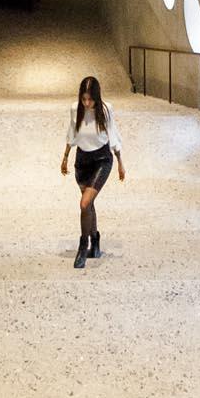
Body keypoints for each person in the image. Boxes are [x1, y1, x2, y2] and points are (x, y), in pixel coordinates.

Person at [60, 74, 125, 268]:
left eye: (90, 99)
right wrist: (65, 157)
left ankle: (83, 245)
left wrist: (121, 162)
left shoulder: (106, 110)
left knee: (84, 203)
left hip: (102, 160)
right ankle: (95, 242)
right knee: (88, 206)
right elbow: (71, 133)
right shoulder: (75, 109)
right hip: (82, 161)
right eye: (84, 99)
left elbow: (113, 134)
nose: (87, 103)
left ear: (97, 97)